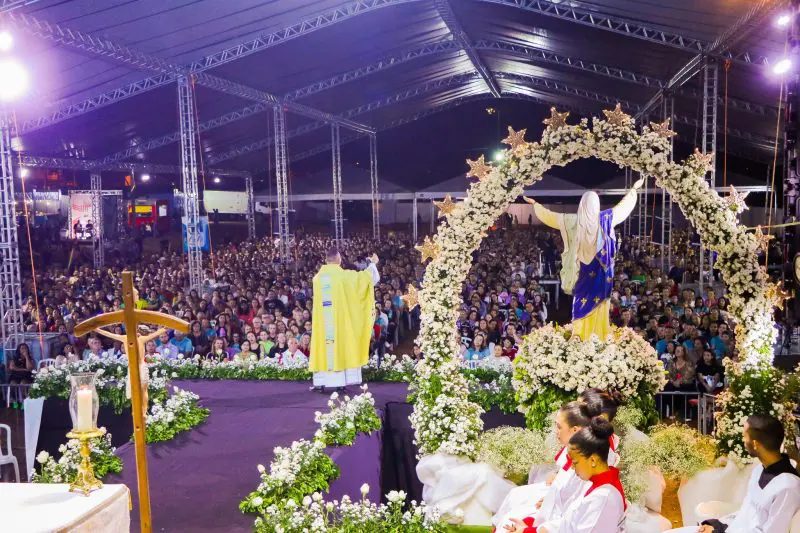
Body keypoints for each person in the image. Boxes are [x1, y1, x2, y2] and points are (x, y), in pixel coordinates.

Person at [523, 178, 644, 340]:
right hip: (600, 273)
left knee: (581, 302)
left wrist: (535, 205)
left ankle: (582, 335)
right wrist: (633, 190)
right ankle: (596, 335)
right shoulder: (606, 218)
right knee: (597, 303)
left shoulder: (573, 220)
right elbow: (623, 208)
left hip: (583, 272)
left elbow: (550, 217)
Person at [669, 415, 800, 533]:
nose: (743, 441)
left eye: (744, 436)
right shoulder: (760, 469)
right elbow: (745, 513)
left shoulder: (787, 488)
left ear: (755, 444)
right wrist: (717, 526)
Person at [505, 417, 626, 533]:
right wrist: (529, 530)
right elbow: (569, 523)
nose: (572, 467)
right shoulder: (598, 484)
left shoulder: (603, 496)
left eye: (575, 462)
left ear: (593, 460)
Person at [493, 401, 602, 530]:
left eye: (559, 427)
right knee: (512, 509)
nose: (556, 432)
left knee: (511, 518)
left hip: (558, 521)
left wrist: (529, 529)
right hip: (553, 514)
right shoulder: (579, 457)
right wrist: (549, 500)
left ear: (575, 430)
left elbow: (574, 509)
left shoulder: (586, 465)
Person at [309, 249, 379, 392]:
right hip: (339, 324)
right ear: (338, 259)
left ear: (327, 259)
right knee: (340, 347)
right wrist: (372, 264)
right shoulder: (343, 277)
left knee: (325, 348)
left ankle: (321, 381)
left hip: (324, 325)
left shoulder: (317, 278)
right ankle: (340, 382)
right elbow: (365, 279)